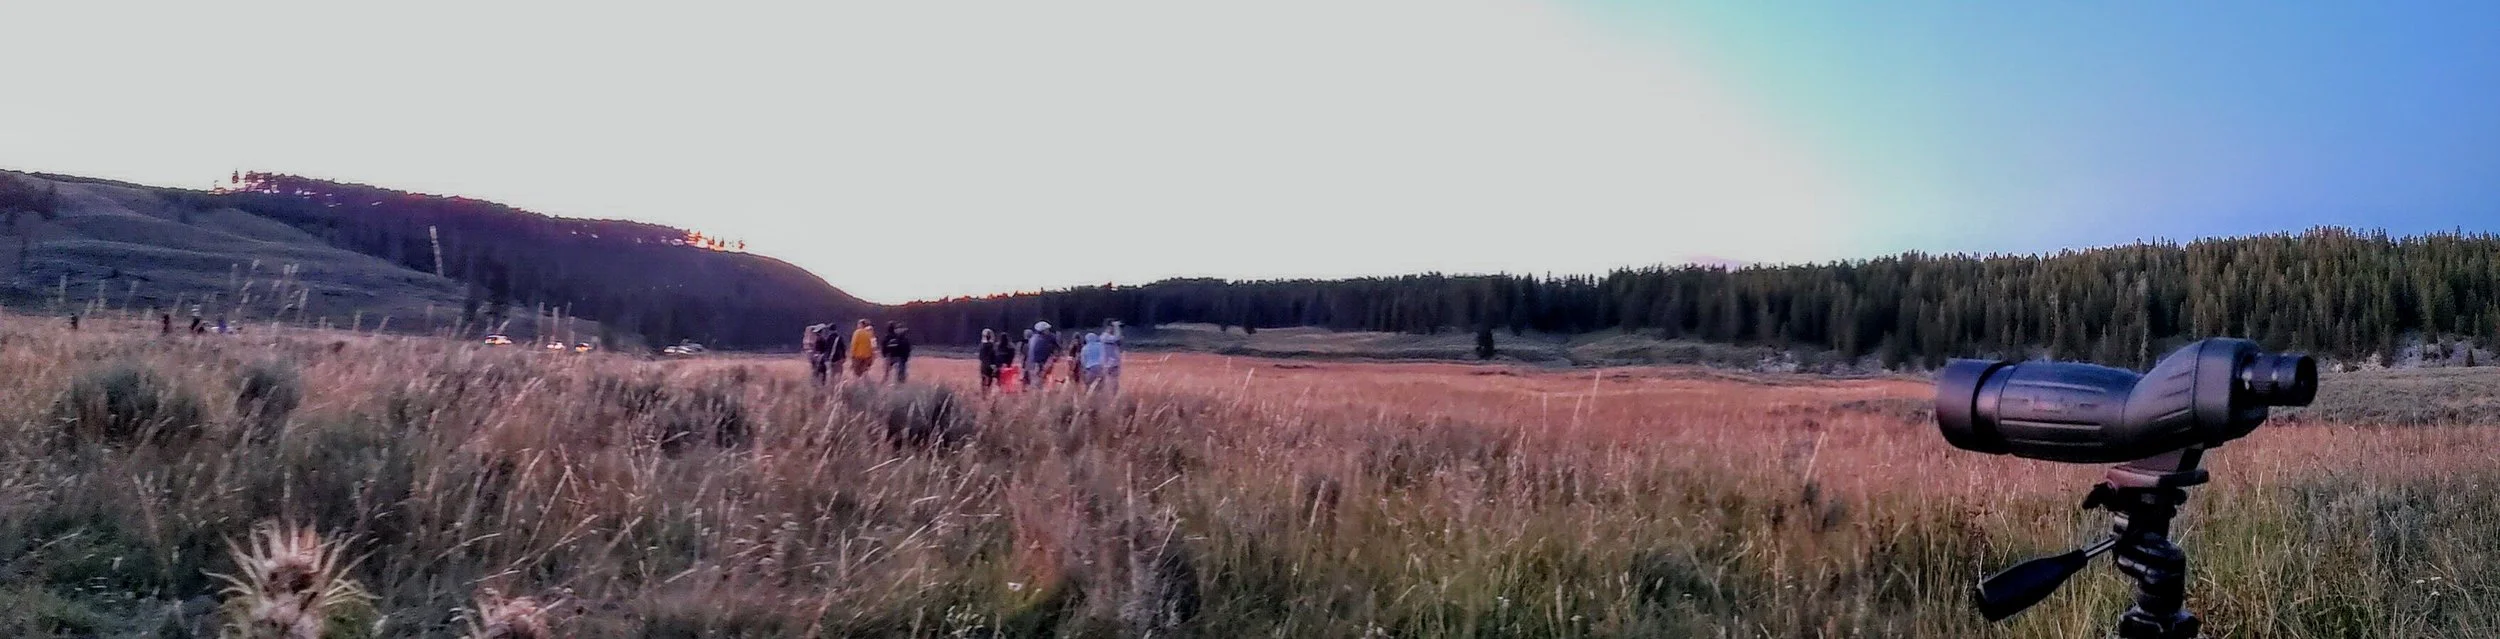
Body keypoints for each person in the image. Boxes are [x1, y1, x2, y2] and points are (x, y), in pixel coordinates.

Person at [1025, 322, 1058, 387]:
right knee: (1039, 383)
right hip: (1038, 364)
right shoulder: (1041, 340)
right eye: (1047, 329)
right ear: (1043, 331)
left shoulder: (1033, 338)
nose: (1049, 331)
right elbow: (1047, 351)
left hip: (1032, 364)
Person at [1100, 320, 1125, 395]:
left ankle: (1113, 397)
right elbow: (1117, 338)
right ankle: (1108, 396)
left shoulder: (1109, 337)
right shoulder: (1104, 336)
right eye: (1112, 327)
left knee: (1115, 383)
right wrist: (1117, 326)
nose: (1113, 329)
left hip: (1114, 363)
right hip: (1109, 363)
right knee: (1110, 382)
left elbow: (1119, 341)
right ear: (1108, 327)